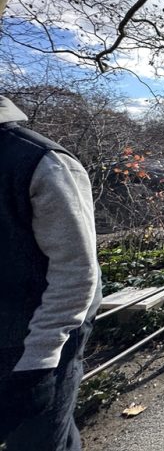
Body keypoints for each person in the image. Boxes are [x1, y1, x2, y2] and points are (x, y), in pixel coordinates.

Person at [0, 96, 102, 451]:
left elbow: (76, 271)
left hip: (34, 341)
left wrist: (38, 363)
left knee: (39, 442)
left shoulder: (42, 161)